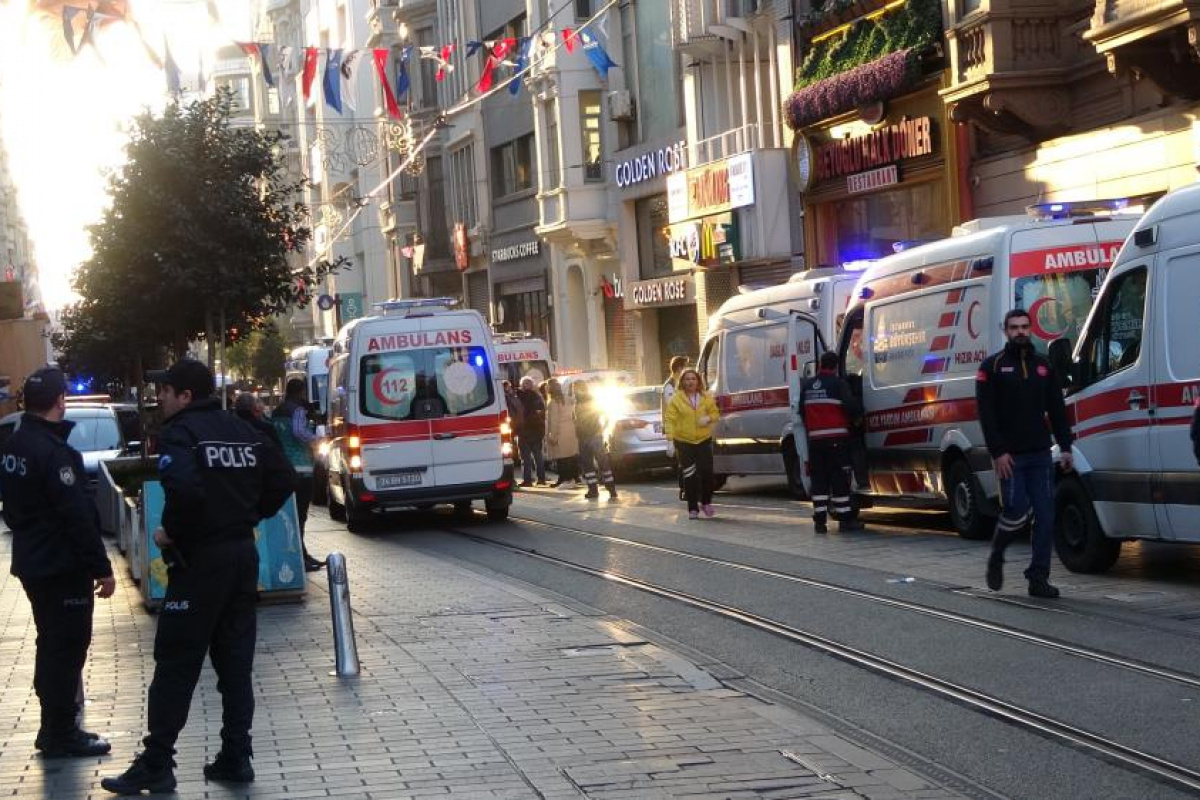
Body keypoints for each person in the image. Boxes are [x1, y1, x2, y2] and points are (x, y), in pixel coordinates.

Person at [102, 360, 294, 794]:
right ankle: (235, 756)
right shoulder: (244, 429)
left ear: (186, 396)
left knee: (175, 661)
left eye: (166, 391)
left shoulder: (182, 433)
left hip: (200, 563)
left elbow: (185, 492)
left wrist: (174, 532)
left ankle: (157, 762)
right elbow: (284, 479)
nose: (160, 398)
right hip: (242, 556)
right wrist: (246, 515)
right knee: (235, 661)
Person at [0, 367, 116, 758]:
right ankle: (60, 730)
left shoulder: (14, 446)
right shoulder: (54, 452)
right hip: (61, 564)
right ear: (58, 402)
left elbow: (12, 509)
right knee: (67, 645)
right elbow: (77, 515)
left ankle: (53, 725)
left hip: (33, 559)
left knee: (51, 643)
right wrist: (101, 567)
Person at [976, 308, 1074, 599]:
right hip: (1011, 456)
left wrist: (1066, 446)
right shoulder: (991, 367)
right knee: (1016, 511)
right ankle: (997, 553)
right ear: (1005, 330)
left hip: (1040, 454)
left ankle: (1038, 577)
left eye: (1024, 326)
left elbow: (1057, 409)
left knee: (1045, 515)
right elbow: (986, 414)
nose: (1020, 331)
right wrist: (998, 452)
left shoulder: (1044, 366)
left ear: (1031, 329)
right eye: (1014, 327)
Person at [798, 351, 865, 534]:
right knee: (839, 479)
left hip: (815, 442)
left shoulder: (809, 386)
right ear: (836, 367)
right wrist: (858, 417)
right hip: (836, 441)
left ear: (820, 364)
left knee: (819, 480)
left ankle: (820, 521)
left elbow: (801, 412)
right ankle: (844, 520)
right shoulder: (838, 384)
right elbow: (851, 406)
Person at [271, 378, 324, 572]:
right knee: (301, 515)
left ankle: (299, 552)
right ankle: (302, 556)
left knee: (290, 515)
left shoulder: (277, 411)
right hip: (301, 469)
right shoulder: (298, 410)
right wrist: (317, 440)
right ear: (301, 392)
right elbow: (299, 432)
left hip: (284, 469)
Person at [663, 369, 720, 519]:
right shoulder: (676, 399)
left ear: (698, 381)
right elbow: (670, 419)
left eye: (693, 379)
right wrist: (669, 440)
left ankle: (706, 503)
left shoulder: (706, 397)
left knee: (707, 472)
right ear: (682, 382)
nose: (690, 382)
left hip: (703, 439)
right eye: (687, 379)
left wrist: (708, 418)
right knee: (689, 475)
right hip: (684, 441)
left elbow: (715, 413)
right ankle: (692, 508)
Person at [573, 381, 616, 500]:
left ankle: (608, 489)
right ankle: (597, 490)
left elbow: (606, 415)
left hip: (592, 436)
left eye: (575, 388)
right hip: (587, 437)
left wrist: (601, 429)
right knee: (591, 465)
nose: (574, 391)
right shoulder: (580, 401)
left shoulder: (589, 401)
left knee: (599, 464)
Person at [661, 356, 688, 500]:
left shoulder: (679, 384)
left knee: (688, 459)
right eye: (685, 367)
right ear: (679, 368)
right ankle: (683, 490)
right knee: (683, 460)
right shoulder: (670, 386)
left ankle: (688, 488)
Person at [545, 378, 580, 487]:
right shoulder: (567, 399)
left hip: (560, 432)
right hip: (571, 430)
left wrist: (553, 435)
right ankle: (575, 477)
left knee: (562, 458)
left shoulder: (553, 402)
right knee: (571, 455)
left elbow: (554, 420)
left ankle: (565, 479)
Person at [516, 376, 547, 486]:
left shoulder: (517, 396)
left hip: (523, 431)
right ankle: (541, 479)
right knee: (538, 456)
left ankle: (528, 480)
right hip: (536, 430)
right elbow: (542, 412)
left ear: (521, 385)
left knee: (526, 458)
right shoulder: (537, 397)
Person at [503, 380, 524, 470]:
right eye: (509, 386)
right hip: (514, 422)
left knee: (511, 442)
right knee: (514, 442)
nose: (510, 388)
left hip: (510, 423)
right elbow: (519, 409)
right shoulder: (511, 397)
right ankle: (516, 459)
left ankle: (515, 459)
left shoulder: (505, 397)